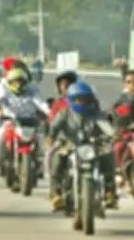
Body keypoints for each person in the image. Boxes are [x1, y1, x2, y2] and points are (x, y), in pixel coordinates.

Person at [48, 81, 118, 211]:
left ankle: (110, 192)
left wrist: (113, 135)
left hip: (92, 145)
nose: (81, 102)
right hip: (69, 145)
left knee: (108, 155)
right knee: (57, 158)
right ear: (71, 100)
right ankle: (56, 194)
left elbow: (105, 126)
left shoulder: (95, 114)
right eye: (78, 99)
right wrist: (52, 138)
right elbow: (54, 128)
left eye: (85, 99)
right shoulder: (64, 114)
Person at [0, 67, 50, 174]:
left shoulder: (31, 90)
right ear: (10, 82)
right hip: (10, 122)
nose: (18, 85)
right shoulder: (3, 89)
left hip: (29, 123)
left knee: (40, 139)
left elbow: (41, 103)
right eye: (15, 82)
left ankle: (40, 162)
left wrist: (50, 113)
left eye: (21, 82)